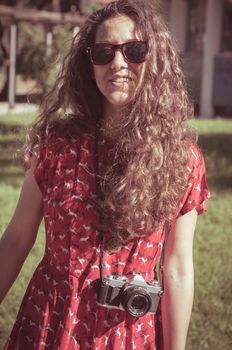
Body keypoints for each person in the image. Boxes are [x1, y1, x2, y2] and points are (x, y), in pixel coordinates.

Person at [0, 0, 209, 349]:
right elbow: (16, 240)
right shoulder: (56, 146)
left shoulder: (181, 158)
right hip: (51, 324)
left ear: (153, 59)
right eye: (104, 52)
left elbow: (178, 268)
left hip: (128, 332)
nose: (118, 63)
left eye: (134, 50)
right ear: (89, 61)